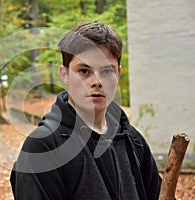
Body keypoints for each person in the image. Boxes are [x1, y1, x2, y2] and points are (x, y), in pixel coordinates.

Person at [10, 21, 161, 200]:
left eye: (106, 71)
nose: (96, 82)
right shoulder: (43, 147)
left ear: (118, 74)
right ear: (64, 75)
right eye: (84, 71)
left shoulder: (133, 141)